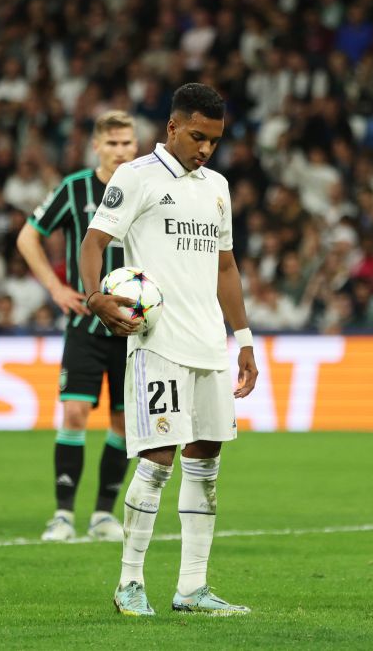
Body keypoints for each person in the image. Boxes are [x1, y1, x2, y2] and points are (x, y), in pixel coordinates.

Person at [80, 83, 258, 617]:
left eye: (215, 141)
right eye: (197, 137)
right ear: (173, 128)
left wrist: (244, 338)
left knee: (206, 461)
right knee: (157, 461)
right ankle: (129, 583)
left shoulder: (218, 188)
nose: (205, 149)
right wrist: (95, 298)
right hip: (157, 342)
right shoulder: (136, 178)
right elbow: (94, 243)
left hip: (209, 343)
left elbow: (226, 267)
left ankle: (192, 588)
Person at [16, 110, 139, 542]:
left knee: (125, 423)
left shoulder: (151, 189)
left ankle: (103, 514)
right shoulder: (75, 189)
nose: (122, 151)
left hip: (133, 330)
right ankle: (63, 514)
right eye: (113, 143)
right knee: (74, 412)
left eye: (128, 143)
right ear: (97, 147)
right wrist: (55, 287)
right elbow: (28, 235)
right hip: (85, 325)